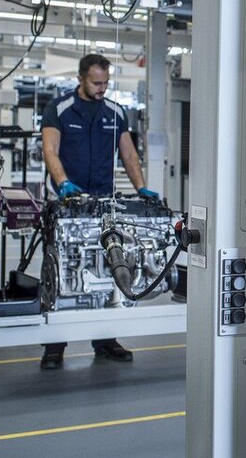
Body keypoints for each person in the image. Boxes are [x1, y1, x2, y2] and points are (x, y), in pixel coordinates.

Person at [37, 53, 160, 370]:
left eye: (106, 83)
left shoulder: (116, 112)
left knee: (107, 267)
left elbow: (129, 155)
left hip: (105, 203)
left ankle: (105, 339)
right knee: (62, 271)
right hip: (69, 203)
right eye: (96, 82)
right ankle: (55, 345)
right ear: (81, 78)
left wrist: (142, 187)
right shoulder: (59, 109)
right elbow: (50, 150)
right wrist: (63, 183)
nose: (102, 88)